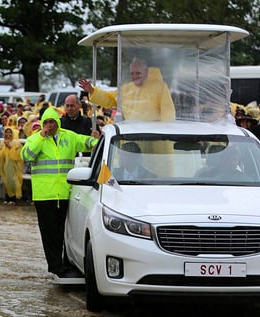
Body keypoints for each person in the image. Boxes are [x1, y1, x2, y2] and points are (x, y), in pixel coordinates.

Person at [21, 107, 98, 278]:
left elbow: (86, 142)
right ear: (42, 124)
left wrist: (96, 140)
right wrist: (41, 137)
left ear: (57, 122)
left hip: (64, 193)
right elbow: (27, 156)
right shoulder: (35, 139)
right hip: (44, 195)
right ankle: (55, 265)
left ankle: (64, 262)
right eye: (46, 122)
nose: (49, 126)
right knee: (48, 233)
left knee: (62, 230)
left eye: (52, 122)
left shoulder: (68, 136)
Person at [78, 57, 176, 122]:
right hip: (130, 137)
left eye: (138, 73)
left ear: (146, 72)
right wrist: (92, 90)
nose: (134, 76)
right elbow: (109, 99)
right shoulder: (126, 89)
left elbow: (168, 112)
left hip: (155, 139)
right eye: (132, 73)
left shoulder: (159, 87)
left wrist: (165, 132)